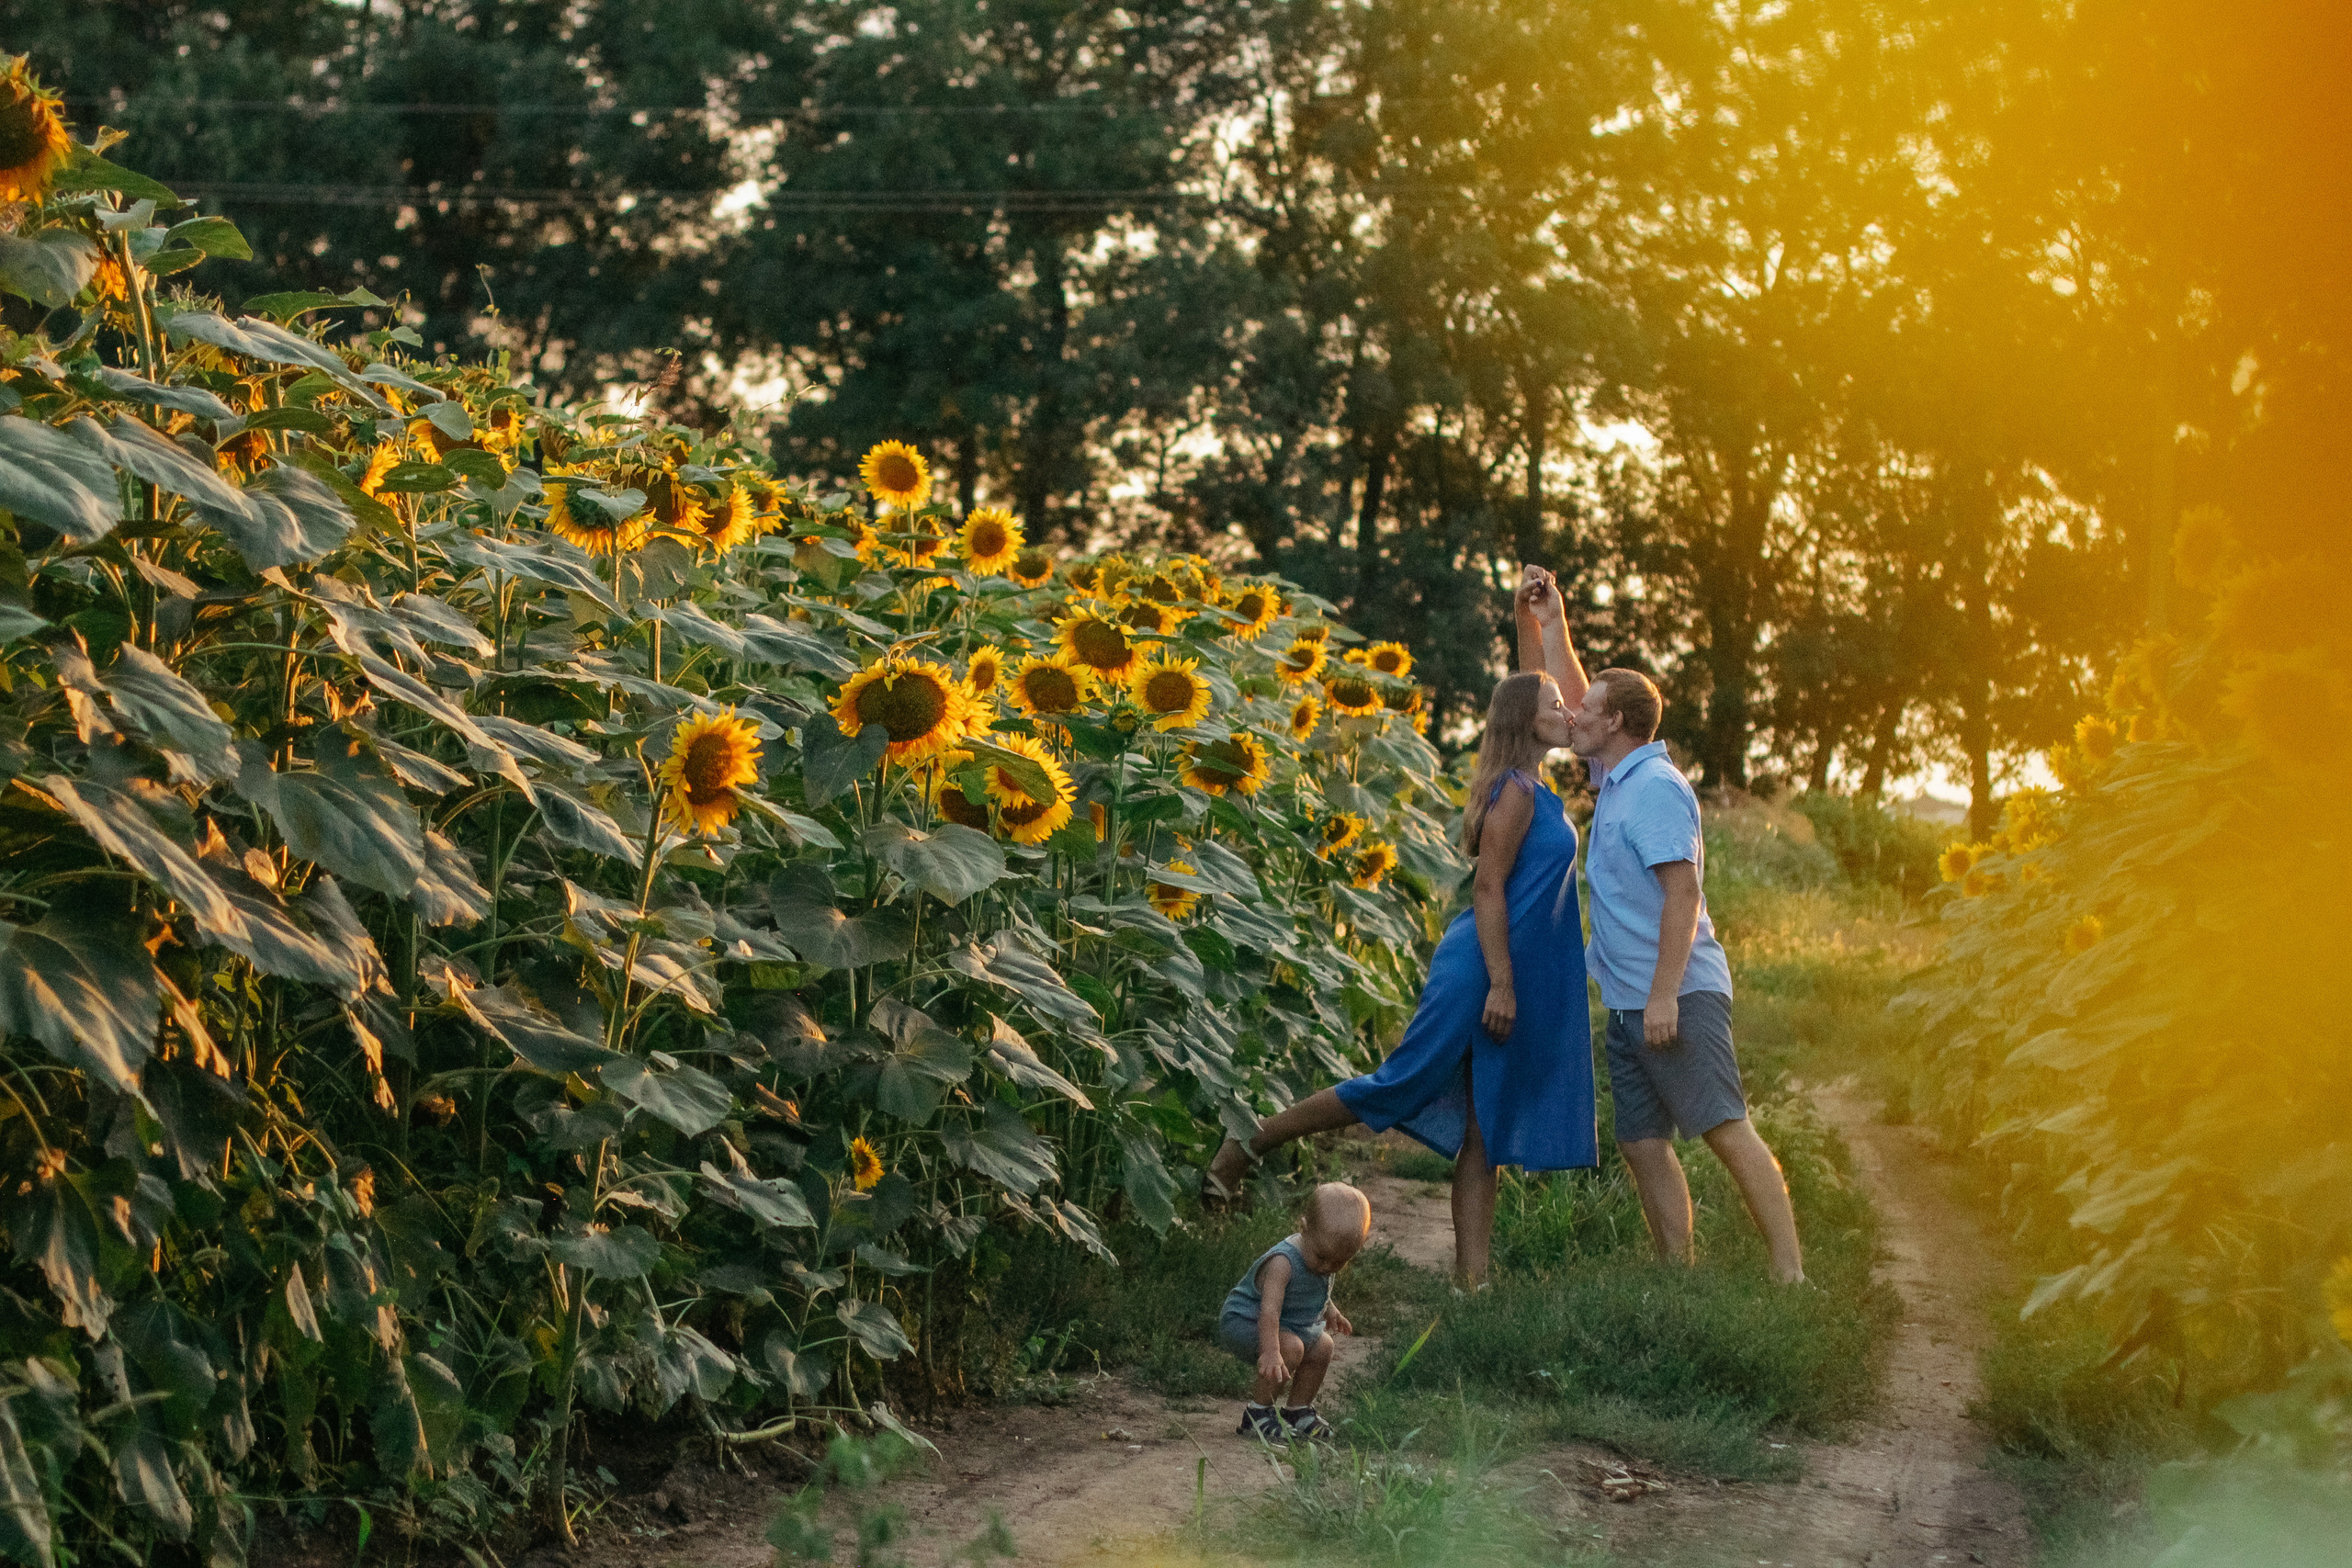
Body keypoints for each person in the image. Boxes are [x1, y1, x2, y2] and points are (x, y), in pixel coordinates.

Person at [1204, 656, 1598, 1289]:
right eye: (1554, 704)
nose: (1566, 711)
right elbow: (1489, 887)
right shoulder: (1519, 793)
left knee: (1483, 1124)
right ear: (1526, 719)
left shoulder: (1532, 785)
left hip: (1502, 965)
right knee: (1398, 1084)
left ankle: (1473, 1284)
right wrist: (1500, 981)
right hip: (1481, 968)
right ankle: (1247, 1143)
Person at [1517, 567, 1806, 1285]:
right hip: (1631, 998)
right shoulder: (1618, 776)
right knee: (1643, 1142)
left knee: (1724, 1127)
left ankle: (1790, 1276)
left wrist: (1664, 996)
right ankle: (1678, 1271)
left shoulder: (1652, 789)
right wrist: (1552, 622)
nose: (1573, 714)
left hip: (1674, 995)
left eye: (1588, 711)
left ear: (1614, 723)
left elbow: (1683, 896)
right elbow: (1583, 688)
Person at [1218, 1182, 1371, 1441]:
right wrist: (1271, 1351)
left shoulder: (1321, 1255)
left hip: (1286, 1324)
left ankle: (1297, 1411)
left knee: (1323, 1347)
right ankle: (1257, 1414)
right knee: (1291, 1348)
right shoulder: (1283, 1263)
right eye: (1322, 1258)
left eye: (1339, 1262)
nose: (1327, 1267)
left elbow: (1316, 1290)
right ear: (1304, 1228)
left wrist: (1329, 1310)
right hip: (1245, 1320)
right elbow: (1269, 1312)